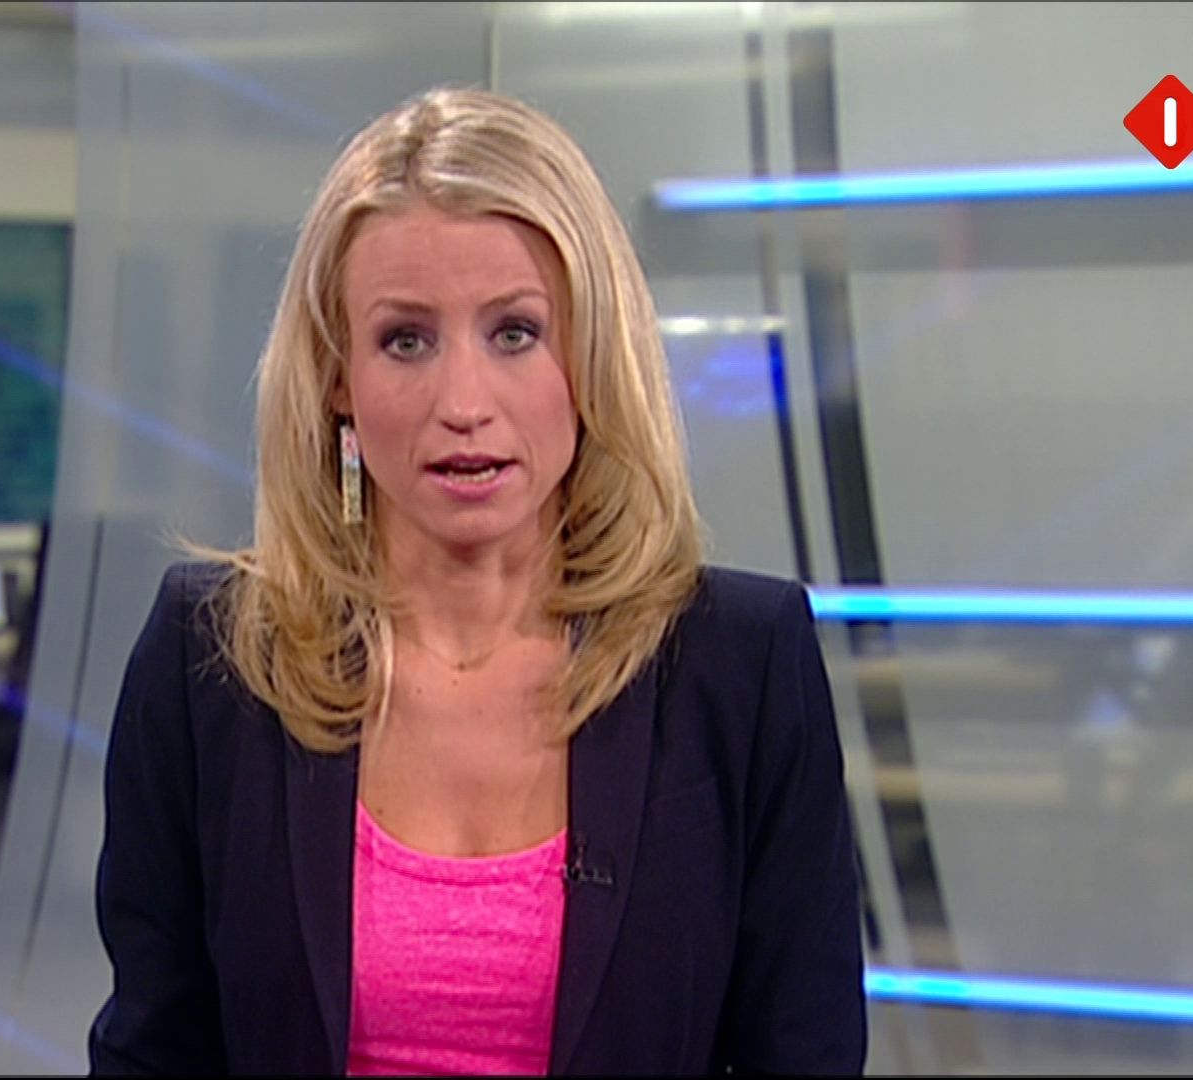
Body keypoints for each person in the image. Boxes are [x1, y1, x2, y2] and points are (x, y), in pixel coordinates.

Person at [87, 85, 865, 1076]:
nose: (463, 402)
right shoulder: (212, 662)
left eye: (515, 333)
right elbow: (152, 1051)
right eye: (405, 340)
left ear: (590, 352)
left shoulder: (741, 669)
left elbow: (803, 1052)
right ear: (337, 376)